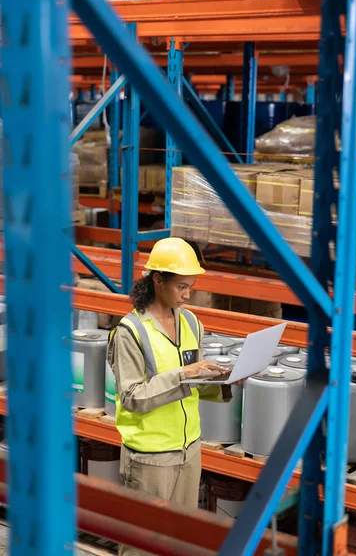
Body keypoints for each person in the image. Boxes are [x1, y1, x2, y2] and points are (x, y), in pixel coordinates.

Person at [107, 237, 233, 556]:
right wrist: (184, 373)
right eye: (181, 287)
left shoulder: (191, 322)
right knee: (142, 547)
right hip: (150, 459)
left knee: (181, 542)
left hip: (188, 452)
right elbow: (132, 396)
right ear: (158, 280)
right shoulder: (130, 332)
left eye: (191, 286)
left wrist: (226, 380)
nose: (188, 295)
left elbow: (194, 384)